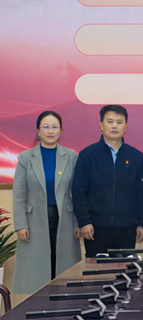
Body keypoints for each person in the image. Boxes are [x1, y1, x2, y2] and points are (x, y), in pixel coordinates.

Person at [12, 111, 81, 294]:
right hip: (34, 220)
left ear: (61, 131)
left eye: (54, 127)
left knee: (63, 266)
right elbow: (18, 194)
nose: (50, 131)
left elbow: (78, 192)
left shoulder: (71, 156)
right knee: (38, 270)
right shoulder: (26, 158)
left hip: (65, 218)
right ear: (38, 131)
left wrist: (77, 221)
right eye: (46, 127)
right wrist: (20, 224)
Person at [72, 105, 143, 257]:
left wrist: (142, 223)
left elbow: (141, 192)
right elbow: (79, 191)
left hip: (127, 228)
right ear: (101, 125)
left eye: (119, 122)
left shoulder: (135, 156)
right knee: (97, 270)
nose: (114, 126)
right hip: (95, 229)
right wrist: (84, 222)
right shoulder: (88, 155)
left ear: (125, 127)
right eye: (110, 121)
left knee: (126, 269)